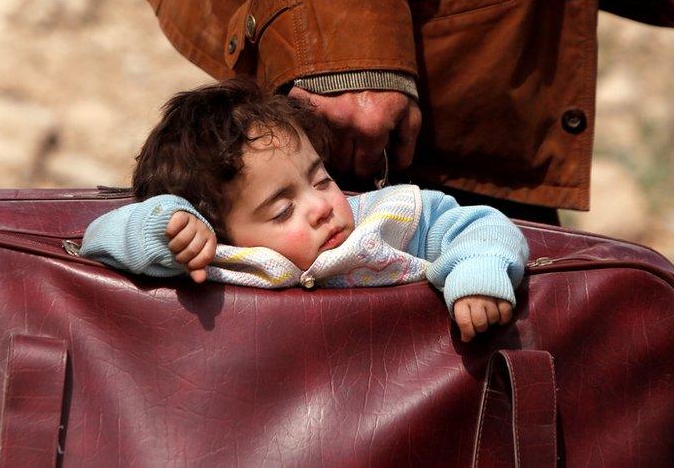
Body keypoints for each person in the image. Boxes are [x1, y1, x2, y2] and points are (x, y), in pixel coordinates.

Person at [139, 0, 674, 223]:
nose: (317, 214)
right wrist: (341, 48)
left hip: (484, 37)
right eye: (285, 211)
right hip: (370, 69)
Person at [81, 79, 529, 342]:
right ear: (221, 231)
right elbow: (96, 241)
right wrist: (170, 226)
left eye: (320, 179)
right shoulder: (217, 259)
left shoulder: (387, 219)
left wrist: (478, 275)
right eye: (281, 212)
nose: (320, 206)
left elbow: (483, 225)